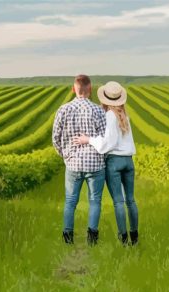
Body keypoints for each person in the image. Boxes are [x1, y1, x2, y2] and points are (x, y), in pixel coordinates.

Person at [73, 81, 139, 246]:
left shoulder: (110, 115)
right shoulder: (125, 114)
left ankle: (123, 239)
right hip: (128, 161)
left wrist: (87, 139)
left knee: (118, 202)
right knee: (131, 200)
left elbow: (108, 143)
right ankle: (135, 237)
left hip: (114, 161)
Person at [52, 74, 106, 245]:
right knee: (95, 201)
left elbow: (55, 138)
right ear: (90, 89)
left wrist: (65, 155)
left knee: (70, 202)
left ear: (73, 89)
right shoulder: (98, 110)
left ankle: (68, 237)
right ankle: (92, 237)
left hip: (73, 164)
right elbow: (105, 139)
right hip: (95, 163)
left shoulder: (63, 110)